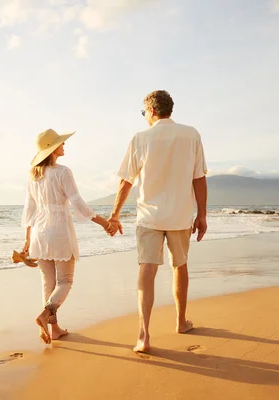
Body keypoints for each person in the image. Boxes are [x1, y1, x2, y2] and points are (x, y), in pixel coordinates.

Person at [108, 90, 208, 353]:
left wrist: (114, 215)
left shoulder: (140, 138)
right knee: (180, 266)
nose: (144, 117)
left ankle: (143, 335)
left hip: (149, 217)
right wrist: (203, 215)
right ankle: (180, 322)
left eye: (144, 113)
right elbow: (199, 178)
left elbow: (125, 181)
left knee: (147, 271)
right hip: (180, 215)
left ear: (152, 111)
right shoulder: (191, 134)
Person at [22, 128, 115, 344]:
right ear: (53, 148)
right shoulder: (63, 172)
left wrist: (27, 239)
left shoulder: (33, 174)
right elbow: (78, 205)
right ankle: (46, 314)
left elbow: (29, 209)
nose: (64, 145)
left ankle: (53, 330)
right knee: (65, 281)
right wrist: (104, 223)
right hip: (59, 232)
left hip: (39, 232)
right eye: (61, 143)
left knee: (49, 282)